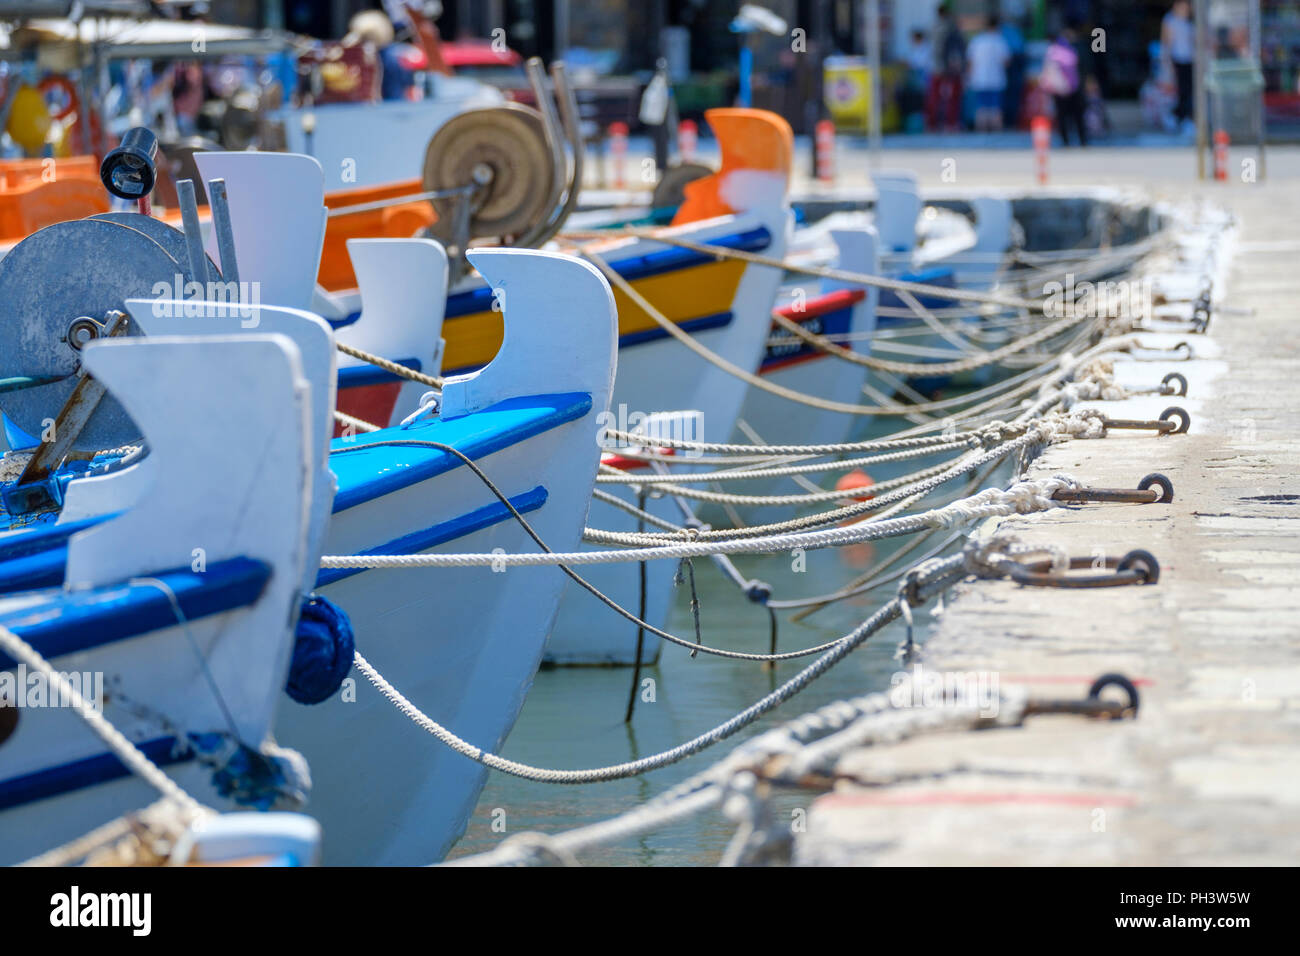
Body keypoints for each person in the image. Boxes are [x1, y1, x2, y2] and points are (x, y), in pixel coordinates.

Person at [1040, 23, 1086, 146]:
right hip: (1073, 87)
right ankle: (1083, 140)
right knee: (1078, 116)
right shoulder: (1074, 49)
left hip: (1058, 89)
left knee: (1062, 117)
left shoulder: (1052, 51)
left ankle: (1065, 141)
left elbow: (1047, 70)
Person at [966, 16, 1010, 132]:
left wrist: (969, 77)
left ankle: (981, 130)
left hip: (979, 79)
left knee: (981, 107)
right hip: (996, 79)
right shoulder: (1000, 41)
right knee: (996, 107)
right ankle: (996, 130)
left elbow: (970, 61)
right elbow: (1006, 62)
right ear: (997, 26)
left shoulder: (977, 40)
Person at [1161, 0, 1196, 134]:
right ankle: (1178, 117)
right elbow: (1166, 42)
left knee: (1189, 91)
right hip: (1177, 59)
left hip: (1190, 59)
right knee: (1182, 91)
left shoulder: (1190, 21)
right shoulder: (1170, 20)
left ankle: (1183, 118)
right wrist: (1167, 62)